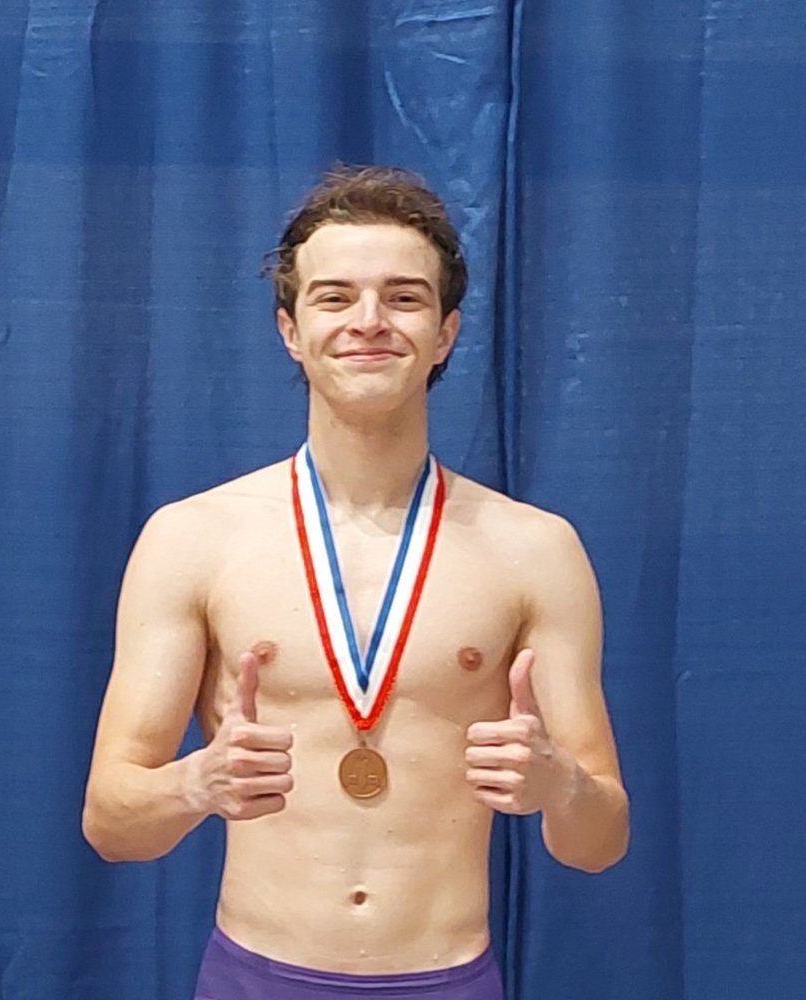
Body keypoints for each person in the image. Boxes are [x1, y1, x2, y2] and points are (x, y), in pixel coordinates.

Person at [82, 165, 629, 1000]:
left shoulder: (534, 550)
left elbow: (599, 842)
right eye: (334, 297)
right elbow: (111, 824)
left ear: (444, 333)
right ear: (290, 329)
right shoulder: (192, 539)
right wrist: (196, 782)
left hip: (446, 978)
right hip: (255, 976)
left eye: (403, 298)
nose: (368, 321)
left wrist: (559, 786)